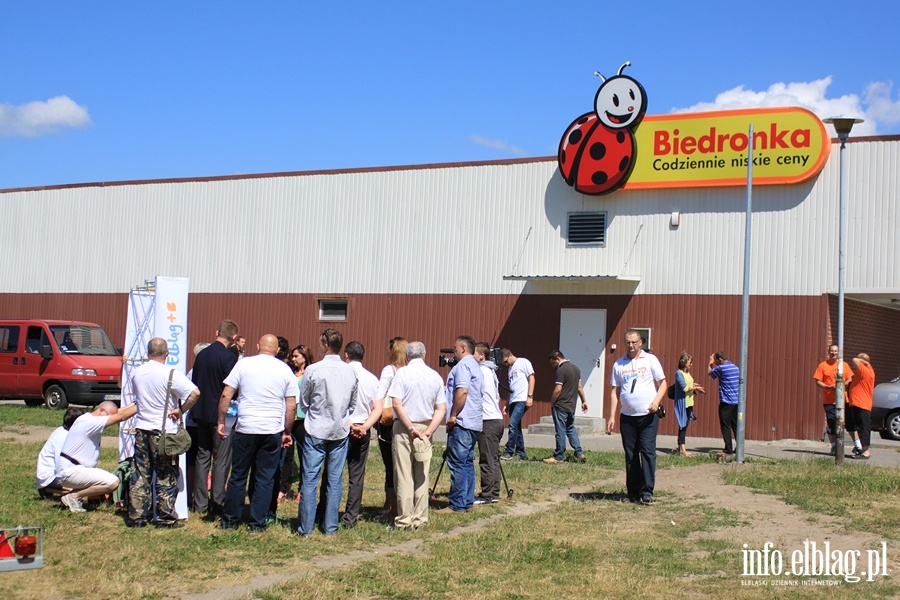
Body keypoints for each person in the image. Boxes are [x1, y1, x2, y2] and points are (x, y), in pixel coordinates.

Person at [218, 334, 298, 532]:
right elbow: (291, 405)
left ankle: (230, 520)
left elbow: (226, 393)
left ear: (257, 346)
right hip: (272, 429)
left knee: (238, 475)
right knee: (265, 477)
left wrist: (221, 421)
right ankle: (257, 523)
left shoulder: (244, 364)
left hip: (246, 427)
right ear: (277, 350)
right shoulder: (284, 369)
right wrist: (287, 431)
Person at [127, 338, 200, 528]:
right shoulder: (170, 374)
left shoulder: (137, 373)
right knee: (166, 473)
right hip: (164, 431)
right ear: (166, 353)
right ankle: (164, 517)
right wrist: (181, 410)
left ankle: (137, 517)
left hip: (142, 428)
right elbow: (195, 393)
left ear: (148, 353)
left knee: (141, 473)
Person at [297, 328, 358, 536]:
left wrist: (313, 412)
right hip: (339, 429)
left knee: (310, 479)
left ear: (324, 345)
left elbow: (303, 400)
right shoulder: (350, 371)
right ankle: (330, 526)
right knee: (334, 479)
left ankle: (306, 527)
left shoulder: (313, 370)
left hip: (316, 428)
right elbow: (352, 403)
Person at [389, 341, 446, 529]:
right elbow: (441, 408)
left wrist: (410, 428)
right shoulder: (435, 376)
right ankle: (420, 518)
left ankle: (404, 518)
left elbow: (397, 403)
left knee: (404, 473)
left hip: (404, 427)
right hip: (426, 426)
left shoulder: (402, 374)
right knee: (422, 473)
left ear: (406, 356)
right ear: (424, 354)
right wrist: (429, 431)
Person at [607, 330, 666, 504]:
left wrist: (656, 401)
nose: (631, 345)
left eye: (634, 342)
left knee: (647, 452)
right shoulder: (619, 364)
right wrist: (611, 416)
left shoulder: (650, 360)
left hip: (648, 415)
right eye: (628, 342)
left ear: (641, 342)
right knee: (631, 455)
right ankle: (632, 492)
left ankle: (647, 491)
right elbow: (613, 391)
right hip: (627, 417)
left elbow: (662, 383)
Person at [191, 318, 239, 515]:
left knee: (202, 457)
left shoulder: (202, 355)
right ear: (234, 337)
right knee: (221, 458)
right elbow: (231, 388)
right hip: (221, 414)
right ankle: (217, 500)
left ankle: (199, 503)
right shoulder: (229, 358)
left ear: (216, 332)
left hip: (201, 412)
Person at [55, 400, 138, 513]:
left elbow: (118, 413)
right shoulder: (91, 421)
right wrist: (143, 402)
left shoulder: (87, 419)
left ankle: (75, 495)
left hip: (71, 469)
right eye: (108, 416)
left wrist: (137, 402)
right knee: (113, 482)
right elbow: (120, 416)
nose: (109, 420)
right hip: (70, 471)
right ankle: (74, 496)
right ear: (101, 411)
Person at [437, 335, 483, 514]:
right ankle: (467, 501)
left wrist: (453, 414)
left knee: (457, 462)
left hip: (462, 421)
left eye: (455, 348)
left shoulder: (463, 366)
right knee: (467, 462)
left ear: (463, 348)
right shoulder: (475, 366)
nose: (453, 351)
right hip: (473, 421)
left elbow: (462, 391)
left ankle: (457, 504)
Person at [341, 341, 381, 528]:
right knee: (356, 475)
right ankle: (351, 517)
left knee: (334, 473)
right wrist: (364, 426)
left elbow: (336, 405)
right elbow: (378, 408)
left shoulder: (341, 374)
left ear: (346, 355)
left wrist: (350, 424)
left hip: (342, 428)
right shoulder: (372, 379)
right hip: (363, 428)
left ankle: (327, 511)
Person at [374, 337, 408, 521]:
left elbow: (379, 394)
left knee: (390, 465)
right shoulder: (409, 371)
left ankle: (391, 506)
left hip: (388, 422)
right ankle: (396, 504)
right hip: (405, 421)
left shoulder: (390, 370)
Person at [279, 344, 314, 502]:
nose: (293, 359)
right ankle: (283, 487)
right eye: (292, 356)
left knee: (303, 455)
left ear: (304, 357)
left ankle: (303, 489)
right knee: (286, 455)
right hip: (289, 418)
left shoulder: (310, 373)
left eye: (296, 356)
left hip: (303, 419)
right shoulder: (289, 373)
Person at [544, 350, 588, 464]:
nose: (553, 366)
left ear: (557, 358)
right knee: (570, 428)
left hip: (561, 405)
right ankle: (579, 453)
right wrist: (584, 401)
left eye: (553, 363)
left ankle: (559, 455)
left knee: (560, 430)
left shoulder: (561, 369)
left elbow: (558, 389)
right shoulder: (576, 368)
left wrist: (552, 402)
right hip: (571, 405)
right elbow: (579, 387)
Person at [475, 342, 503, 504]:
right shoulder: (491, 370)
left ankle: (487, 494)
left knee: (486, 459)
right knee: (493, 459)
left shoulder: (481, 371)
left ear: (481, 355)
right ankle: (494, 493)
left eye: (474, 354)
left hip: (488, 420)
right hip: (496, 418)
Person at [813, 344, 853, 456]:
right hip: (829, 401)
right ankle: (834, 447)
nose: (834, 353)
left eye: (836, 351)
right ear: (828, 352)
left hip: (843, 400)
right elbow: (817, 381)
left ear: (839, 352)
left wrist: (842, 384)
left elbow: (850, 379)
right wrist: (828, 387)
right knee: (831, 423)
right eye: (832, 351)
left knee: (846, 423)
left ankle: (857, 446)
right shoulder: (823, 365)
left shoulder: (844, 365)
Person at [36, 407, 84, 498]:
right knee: (80, 489)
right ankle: (46, 488)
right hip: (50, 477)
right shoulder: (63, 438)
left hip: (57, 474)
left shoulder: (65, 431)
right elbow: (61, 465)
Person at [500, 348, 535, 461]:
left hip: (522, 399)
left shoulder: (523, 362)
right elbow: (511, 388)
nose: (506, 364)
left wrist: (530, 396)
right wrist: (506, 404)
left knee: (512, 424)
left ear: (510, 355)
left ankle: (509, 451)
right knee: (517, 427)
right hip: (513, 400)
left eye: (506, 361)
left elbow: (532, 378)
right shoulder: (510, 369)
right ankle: (520, 452)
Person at [708, 351, 741, 456]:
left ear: (720, 360)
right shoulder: (735, 367)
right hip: (736, 402)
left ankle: (728, 449)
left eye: (716, 360)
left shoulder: (721, 368)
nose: (716, 362)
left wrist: (710, 363)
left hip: (726, 402)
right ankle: (739, 447)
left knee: (725, 426)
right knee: (735, 425)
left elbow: (710, 373)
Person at [673, 351, 704, 457]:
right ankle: (683, 450)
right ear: (684, 362)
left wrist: (695, 385)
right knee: (683, 426)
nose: (691, 364)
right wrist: (696, 388)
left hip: (689, 402)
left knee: (684, 425)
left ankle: (679, 448)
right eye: (690, 362)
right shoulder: (679, 373)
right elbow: (685, 388)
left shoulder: (687, 373)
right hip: (683, 403)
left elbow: (688, 383)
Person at [847, 353, 875, 460]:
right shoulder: (863, 372)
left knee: (864, 428)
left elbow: (854, 359)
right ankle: (862, 450)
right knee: (859, 427)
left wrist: (864, 361)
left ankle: (866, 452)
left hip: (862, 404)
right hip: (857, 403)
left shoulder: (866, 370)